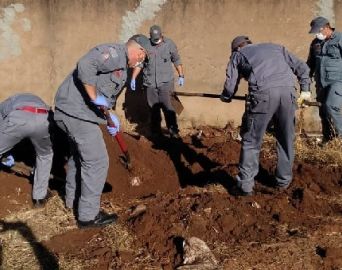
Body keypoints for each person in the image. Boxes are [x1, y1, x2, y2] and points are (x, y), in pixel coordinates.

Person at [54, 34, 150, 228]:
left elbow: (103, 96)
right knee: (97, 161)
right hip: (77, 114)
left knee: (78, 157)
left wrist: (109, 116)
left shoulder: (122, 67)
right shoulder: (115, 54)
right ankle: (88, 217)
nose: (141, 61)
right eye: (143, 57)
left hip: (72, 112)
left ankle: (72, 201)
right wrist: (94, 97)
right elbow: (85, 65)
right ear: (139, 50)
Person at [221, 36, 311, 196]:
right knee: (286, 138)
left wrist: (226, 96)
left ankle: (245, 187)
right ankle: (283, 182)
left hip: (263, 95)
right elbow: (302, 67)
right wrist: (305, 90)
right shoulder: (276, 47)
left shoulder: (238, 55)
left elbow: (230, 84)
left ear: (236, 48)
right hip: (288, 94)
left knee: (251, 141)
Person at [130, 25, 185, 139]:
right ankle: (155, 131)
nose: (157, 41)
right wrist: (133, 78)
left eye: (158, 39)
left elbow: (176, 59)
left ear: (161, 35)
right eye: (154, 39)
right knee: (153, 109)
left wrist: (181, 75)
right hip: (150, 84)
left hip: (166, 83)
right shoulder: (146, 45)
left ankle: (173, 130)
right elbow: (140, 63)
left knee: (169, 107)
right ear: (150, 36)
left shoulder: (169, 44)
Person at [0, 93, 53, 207]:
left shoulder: (8, 102)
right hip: (43, 120)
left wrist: (4, 153)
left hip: (19, 118)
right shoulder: (42, 103)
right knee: (45, 155)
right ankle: (39, 198)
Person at [306, 16, 342, 141]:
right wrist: (305, 81)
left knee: (331, 106)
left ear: (327, 28)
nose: (317, 34)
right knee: (323, 111)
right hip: (321, 83)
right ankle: (329, 140)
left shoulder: (339, 39)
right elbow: (310, 63)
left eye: (318, 31)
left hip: (337, 81)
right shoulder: (315, 43)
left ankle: (341, 138)